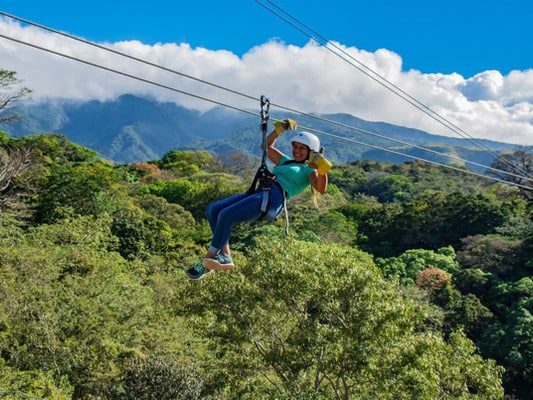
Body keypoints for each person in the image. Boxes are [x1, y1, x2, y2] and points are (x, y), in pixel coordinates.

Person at [185, 119, 332, 279]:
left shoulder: (308, 170)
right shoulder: (285, 161)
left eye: (302, 148)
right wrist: (278, 130)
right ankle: (224, 255)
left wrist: (322, 170)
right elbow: (266, 147)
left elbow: (320, 188)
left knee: (226, 215)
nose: (297, 151)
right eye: (295, 146)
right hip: (262, 192)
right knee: (214, 209)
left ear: (311, 151)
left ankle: (210, 256)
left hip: (273, 199)